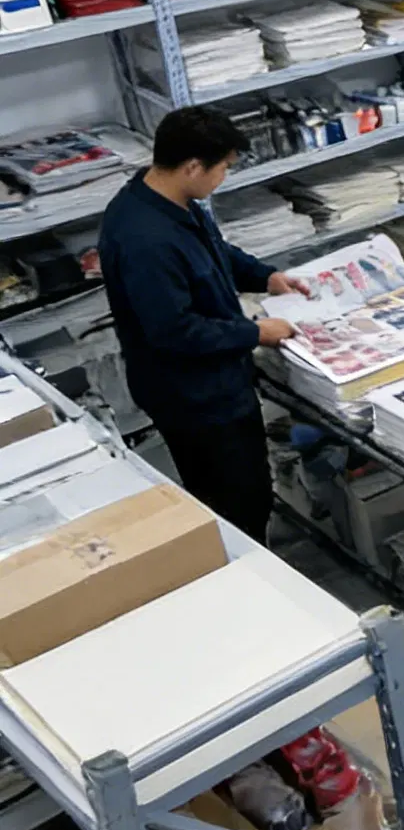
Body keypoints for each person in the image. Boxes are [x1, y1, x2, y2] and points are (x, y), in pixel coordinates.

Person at [98, 106, 311, 537]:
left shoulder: (171, 199)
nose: (224, 177)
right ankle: (248, 566)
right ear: (193, 166)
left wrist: (265, 277)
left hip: (217, 380)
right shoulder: (145, 240)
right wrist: (256, 332)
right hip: (194, 398)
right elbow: (175, 332)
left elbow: (214, 252)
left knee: (248, 488)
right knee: (236, 501)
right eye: (224, 168)